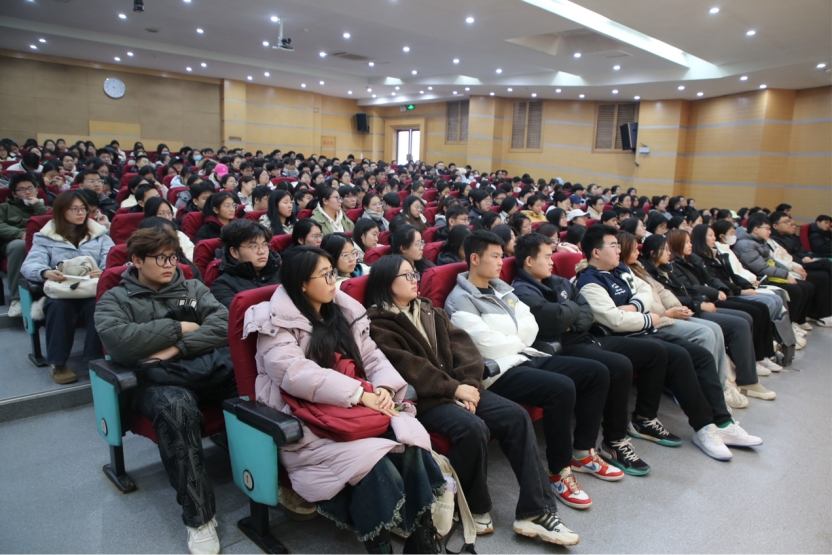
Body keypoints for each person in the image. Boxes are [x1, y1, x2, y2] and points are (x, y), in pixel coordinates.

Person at [366, 255, 580, 545]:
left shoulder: (430, 310)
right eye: (407, 276)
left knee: (515, 416)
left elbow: (466, 350)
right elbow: (409, 367)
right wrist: (454, 389)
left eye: (415, 273)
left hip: (459, 387)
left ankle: (535, 511)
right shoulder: (378, 324)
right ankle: (475, 507)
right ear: (386, 283)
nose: (415, 280)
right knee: (472, 427)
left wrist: (468, 383)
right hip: (425, 400)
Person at [244, 246, 444, 553]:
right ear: (302, 284)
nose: (333, 281)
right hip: (309, 421)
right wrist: (359, 394)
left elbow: (372, 356)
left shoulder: (343, 310)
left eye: (332, 273)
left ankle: (422, 542)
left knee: (412, 447)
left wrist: (383, 388)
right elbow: (294, 373)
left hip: (360, 411)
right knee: (376, 465)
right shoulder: (274, 322)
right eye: (325, 275)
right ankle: (380, 547)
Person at [445, 231, 611, 510]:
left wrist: (515, 341)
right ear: (474, 258)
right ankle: (558, 471)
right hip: (498, 371)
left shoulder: (502, 288)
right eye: (495, 256)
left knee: (596, 372)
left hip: (526, 355)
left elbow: (531, 325)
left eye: (502, 256)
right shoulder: (459, 299)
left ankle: (583, 451)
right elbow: (485, 344)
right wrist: (518, 340)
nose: (501, 262)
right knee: (561, 388)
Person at [95, 227, 235, 555]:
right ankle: (199, 517)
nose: (170, 264)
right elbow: (121, 342)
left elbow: (223, 323)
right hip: (157, 382)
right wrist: (180, 326)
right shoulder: (116, 299)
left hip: (207, 369)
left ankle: (282, 480)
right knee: (176, 409)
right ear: (137, 261)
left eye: (173, 257)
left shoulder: (192, 288)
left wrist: (176, 347)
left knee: (260, 388)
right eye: (160, 258)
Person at [575, 225, 762, 461]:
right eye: (613, 246)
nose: (618, 250)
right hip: (619, 337)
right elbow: (615, 320)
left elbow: (645, 290)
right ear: (596, 252)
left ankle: (723, 422)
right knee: (679, 356)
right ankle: (704, 427)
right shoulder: (589, 281)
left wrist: (634, 307)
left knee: (701, 355)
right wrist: (647, 317)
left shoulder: (620, 269)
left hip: (643, 328)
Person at [511, 233, 652, 476]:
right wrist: (571, 312)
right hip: (555, 347)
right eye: (547, 257)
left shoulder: (557, 280)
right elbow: (555, 319)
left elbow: (586, 312)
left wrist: (571, 319)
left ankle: (613, 439)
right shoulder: (521, 290)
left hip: (581, 336)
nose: (552, 261)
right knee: (611, 367)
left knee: (644, 355)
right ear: (529, 261)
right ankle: (604, 444)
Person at [629, 234, 777, 404]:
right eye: (666, 249)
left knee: (746, 316)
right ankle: (715, 390)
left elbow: (679, 290)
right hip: (666, 316)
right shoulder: (646, 270)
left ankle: (736, 379)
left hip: (684, 308)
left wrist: (693, 302)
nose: (669, 252)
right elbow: (653, 300)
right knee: (723, 327)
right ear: (653, 252)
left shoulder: (667, 267)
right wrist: (695, 305)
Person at [21, 191, 113, 384]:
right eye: (75, 209)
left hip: (91, 288)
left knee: (99, 305)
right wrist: (45, 272)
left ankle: (95, 359)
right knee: (59, 307)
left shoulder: (99, 234)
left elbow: (112, 259)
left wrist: (103, 272)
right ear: (61, 211)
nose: (81, 213)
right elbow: (29, 265)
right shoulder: (45, 237)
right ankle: (58, 364)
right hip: (62, 290)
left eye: (83, 209)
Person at [733, 214, 814, 332]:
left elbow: (772, 261)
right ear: (756, 229)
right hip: (760, 279)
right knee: (795, 290)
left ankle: (796, 321)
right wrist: (785, 275)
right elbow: (761, 268)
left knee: (806, 286)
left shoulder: (758, 241)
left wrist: (787, 272)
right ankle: (787, 327)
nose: (769, 232)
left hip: (768, 275)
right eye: (767, 228)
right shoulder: (745, 244)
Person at [769, 212, 831, 326]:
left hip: (799, 263)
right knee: (823, 273)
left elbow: (801, 250)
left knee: (825, 268)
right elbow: (786, 258)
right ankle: (821, 313)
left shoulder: (789, 236)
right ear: (775, 225)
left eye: (790, 222)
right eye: (786, 222)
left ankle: (821, 311)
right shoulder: (774, 239)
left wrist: (806, 257)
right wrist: (803, 260)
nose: (790, 225)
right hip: (793, 267)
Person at [0, 173, 49, 317]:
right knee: (19, 246)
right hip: (14, 241)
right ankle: (17, 299)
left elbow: (52, 220)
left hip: (41, 241)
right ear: (14, 194)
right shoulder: (4, 208)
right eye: (22, 190)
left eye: (30, 188)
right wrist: (18, 233)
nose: (27, 192)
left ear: (36, 190)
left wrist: (38, 206)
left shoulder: (44, 207)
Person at [210, 220, 281, 308]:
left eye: (264, 244)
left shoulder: (282, 271)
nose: (262, 251)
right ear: (234, 252)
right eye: (254, 246)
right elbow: (237, 315)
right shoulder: (223, 285)